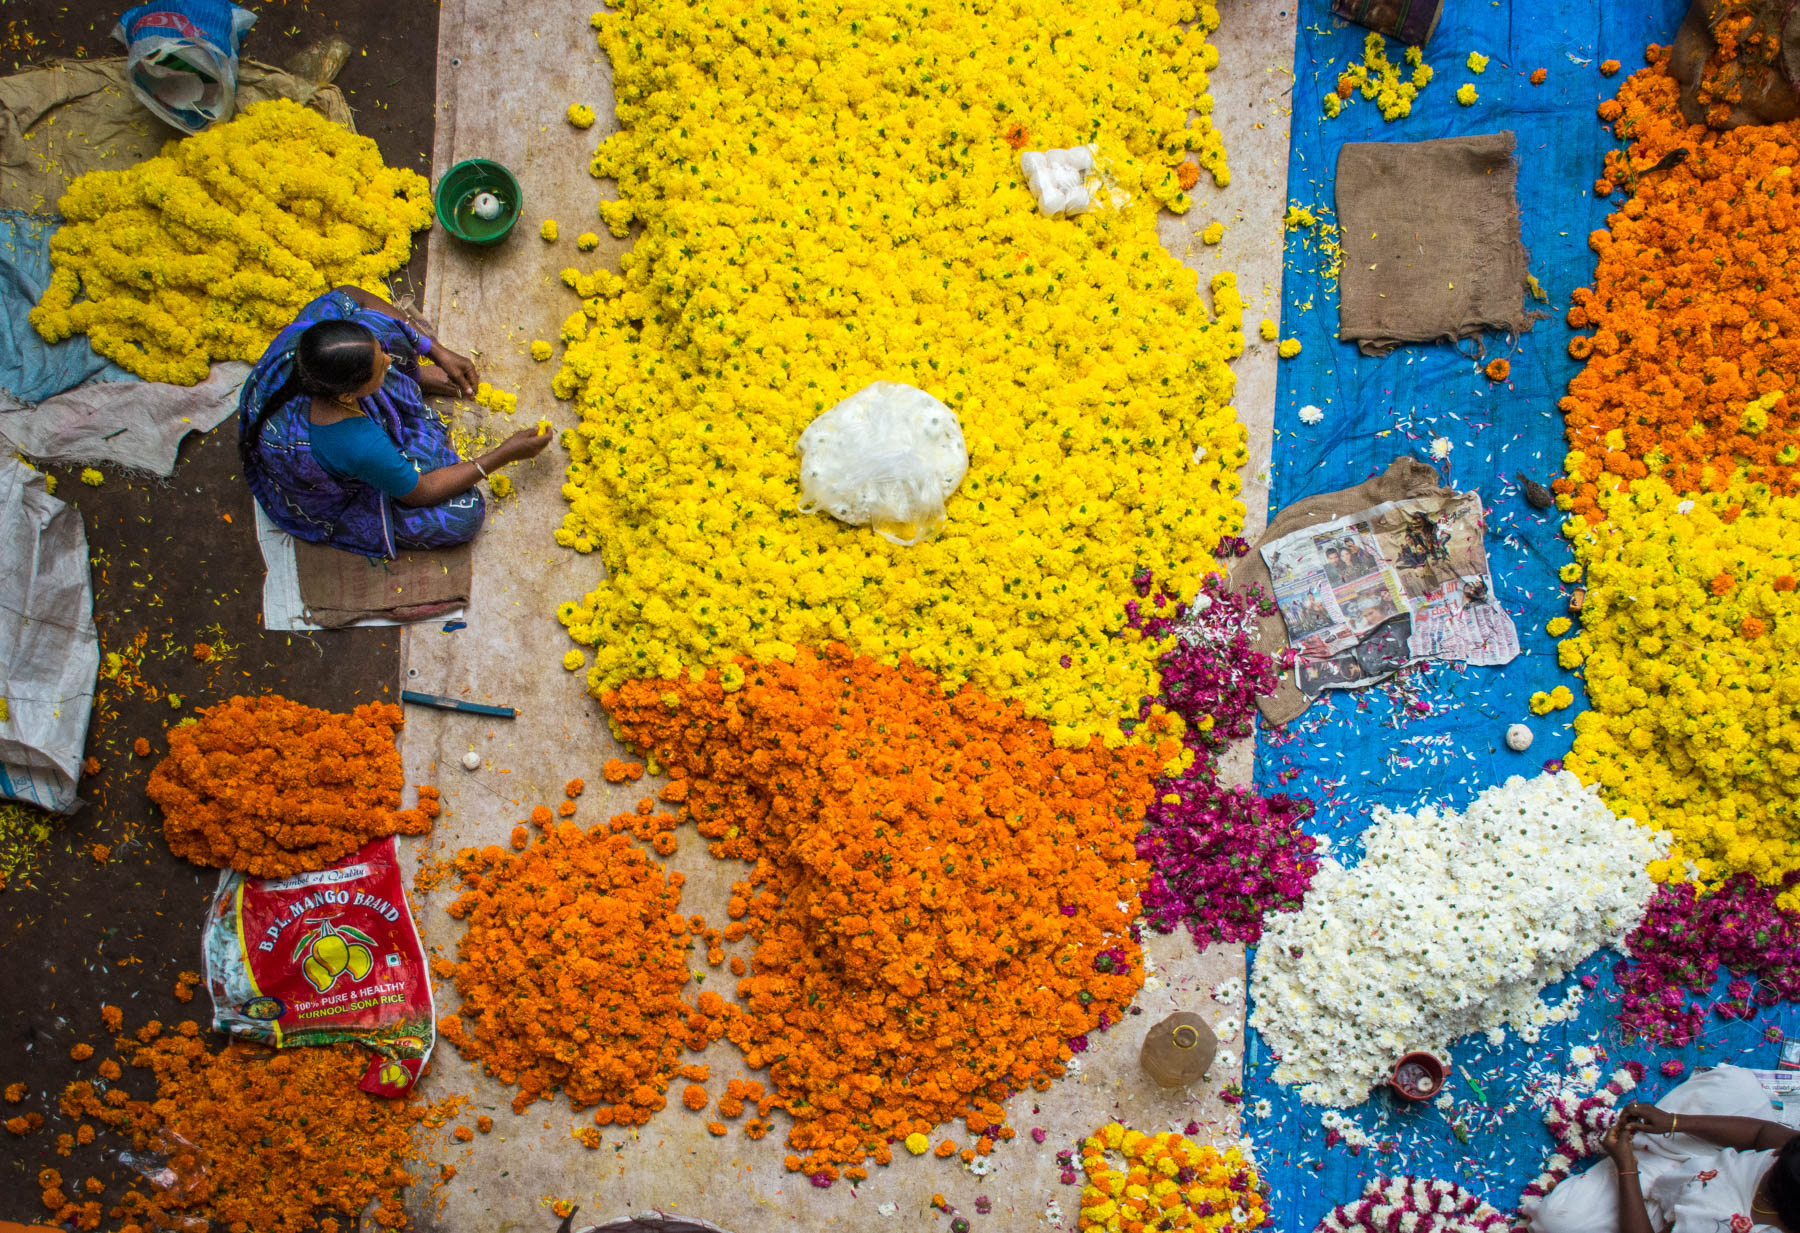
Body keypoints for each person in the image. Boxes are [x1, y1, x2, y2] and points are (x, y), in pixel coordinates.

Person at [239, 286, 550, 558]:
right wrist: (505, 454)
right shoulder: (355, 441)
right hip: (320, 467)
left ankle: (406, 377)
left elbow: (353, 294)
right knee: (464, 514)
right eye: (381, 369)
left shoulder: (318, 336)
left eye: (382, 358)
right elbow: (421, 492)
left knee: (381, 327)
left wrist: (435, 351)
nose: (388, 359)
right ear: (349, 397)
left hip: (328, 397)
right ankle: (404, 387)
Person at [1531, 1064, 1800, 1233]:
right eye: (1780, 1153)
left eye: (1774, 1163)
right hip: (1705, 1161)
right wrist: (1673, 1122)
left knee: (1556, 1221)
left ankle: (1634, 1159)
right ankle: (1648, 1147)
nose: (1774, 1154)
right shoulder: (1788, 1158)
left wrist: (1627, 1169)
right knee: (1738, 1086)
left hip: (1659, 1220)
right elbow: (1762, 1133)